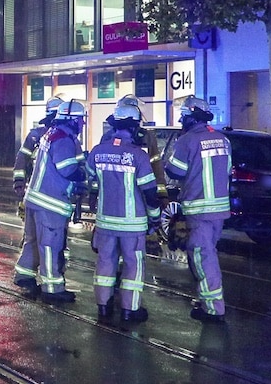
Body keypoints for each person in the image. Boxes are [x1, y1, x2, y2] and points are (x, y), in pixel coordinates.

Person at [85, 104, 161, 322]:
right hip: (133, 224)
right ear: (134, 127)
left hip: (106, 223)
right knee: (132, 265)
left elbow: (91, 180)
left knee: (105, 264)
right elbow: (149, 192)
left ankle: (103, 307)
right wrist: (155, 218)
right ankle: (130, 310)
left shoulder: (98, 152)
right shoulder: (138, 155)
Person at [13, 100, 88, 304]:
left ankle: (24, 276)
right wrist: (83, 176)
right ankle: (52, 289)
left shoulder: (49, 134)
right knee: (50, 245)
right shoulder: (64, 139)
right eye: (80, 120)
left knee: (32, 242)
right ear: (72, 120)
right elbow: (69, 169)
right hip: (51, 202)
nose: (82, 123)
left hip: (35, 198)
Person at [164, 95, 230, 323]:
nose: (182, 120)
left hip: (198, 209)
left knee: (203, 258)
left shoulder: (187, 140)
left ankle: (213, 308)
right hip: (219, 210)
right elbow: (227, 170)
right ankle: (207, 300)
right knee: (208, 253)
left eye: (183, 116)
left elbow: (175, 172)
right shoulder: (222, 139)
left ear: (190, 117)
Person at [99, 94, 167, 198]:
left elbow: (156, 166)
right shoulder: (108, 138)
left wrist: (161, 194)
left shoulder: (147, 137)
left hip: (137, 194)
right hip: (121, 195)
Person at [13, 96, 65, 215]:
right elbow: (22, 159)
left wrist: (19, 182)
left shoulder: (38, 135)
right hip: (43, 190)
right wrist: (19, 181)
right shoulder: (36, 136)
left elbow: (21, 159)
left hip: (42, 192)